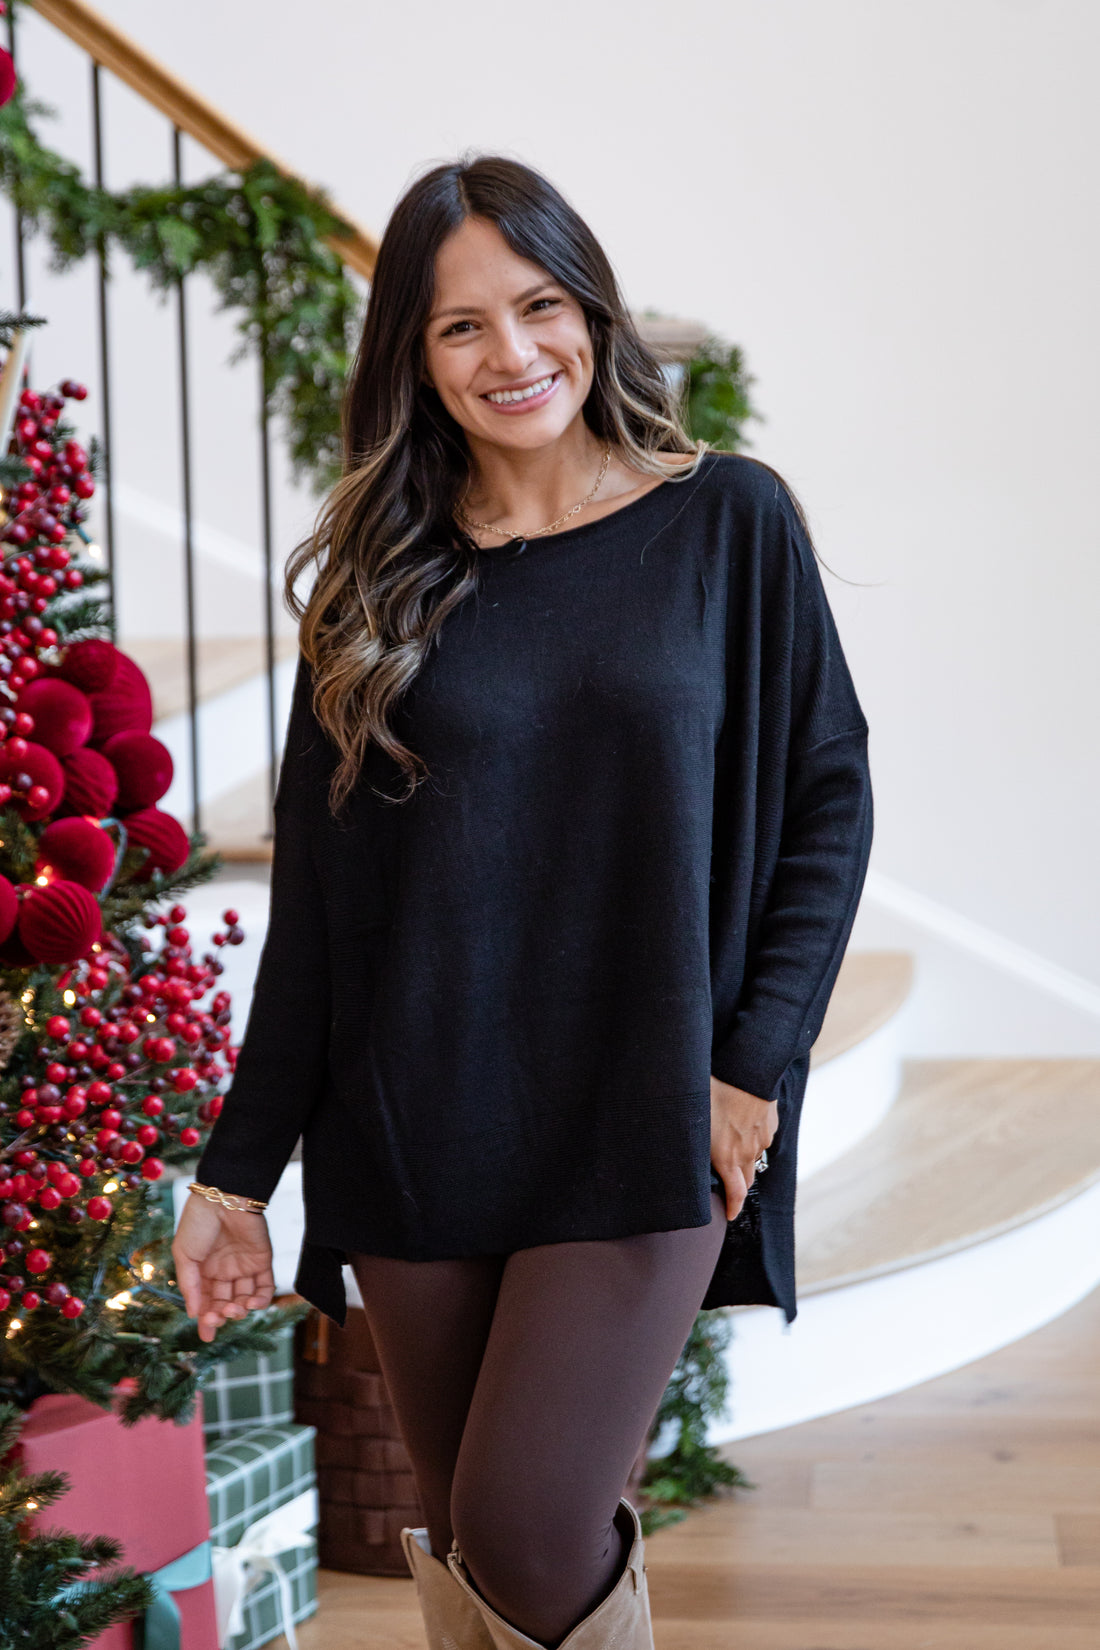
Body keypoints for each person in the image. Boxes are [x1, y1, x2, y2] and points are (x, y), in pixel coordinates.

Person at [172, 153, 873, 1650]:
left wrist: (750, 1067)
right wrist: (235, 1177)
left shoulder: (726, 523)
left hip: (646, 1105)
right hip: (417, 1119)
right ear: (416, 360)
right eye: (461, 326)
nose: (513, 352)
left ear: (592, 311)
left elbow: (829, 804)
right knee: (474, 1546)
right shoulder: (374, 583)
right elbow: (320, 915)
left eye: (540, 305)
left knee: (528, 1521)